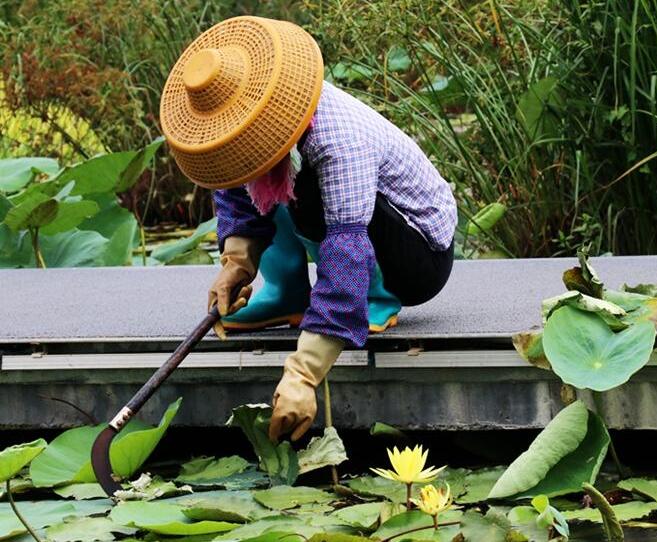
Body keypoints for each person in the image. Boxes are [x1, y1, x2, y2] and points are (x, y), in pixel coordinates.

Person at [158, 16, 457, 443]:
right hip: (356, 228)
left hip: (419, 254)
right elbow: (238, 185)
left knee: (314, 195)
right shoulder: (260, 127)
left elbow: (346, 250)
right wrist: (236, 265)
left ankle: (374, 297)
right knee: (255, 168)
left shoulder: (339, 141)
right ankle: (288, 295)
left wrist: (303, 373)